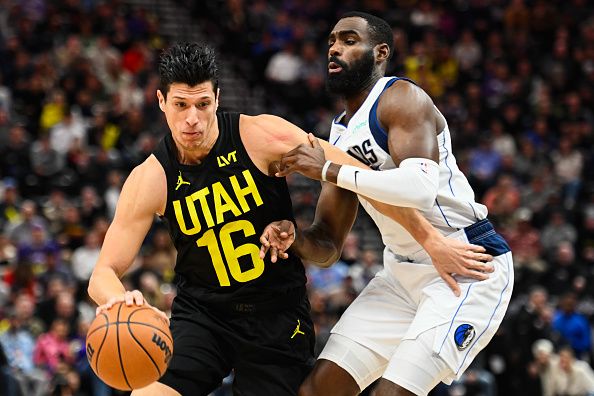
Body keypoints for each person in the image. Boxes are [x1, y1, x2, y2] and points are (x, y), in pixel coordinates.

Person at [88, 42, 491, 396]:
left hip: (276, 315)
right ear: (161, 101)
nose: (191, 118)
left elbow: (360, 177)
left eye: (202, 104)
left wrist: (431, 240)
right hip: (204, 314)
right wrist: (116, 298)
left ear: (217, 98)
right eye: (180, 105)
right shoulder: (150, 178)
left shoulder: (261, 136)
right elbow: (103, 271)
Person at [262, 12, 514, 396]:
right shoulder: (340, 131)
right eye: (332, 41)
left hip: (465, 262)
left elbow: (419, 189)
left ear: (380, 53)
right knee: (318, 389)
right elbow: (328, 244)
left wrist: (330, 169)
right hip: (399, 273)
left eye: (349, 41)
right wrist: (291, 237)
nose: (334, 48)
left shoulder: (402, 98)